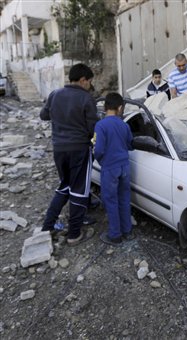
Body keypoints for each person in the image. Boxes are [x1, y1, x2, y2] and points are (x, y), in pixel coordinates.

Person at [40, 63, 98, 245]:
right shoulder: (86, 98)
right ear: (83, 80)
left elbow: (44, 115)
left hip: (59, 149)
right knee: (80, 190)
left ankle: (48, 225)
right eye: (89, 81)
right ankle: (74, 234)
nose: (89, 85)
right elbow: (92, 129)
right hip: (79, 148)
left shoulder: (55, 94)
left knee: (65, 185)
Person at [93, 92, 134, 245]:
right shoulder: (124, 125)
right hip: (125, 166)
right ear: (120, 108)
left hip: (110, 168)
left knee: (111, 200)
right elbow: (131, 144)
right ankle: (127, 231)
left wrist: (101, 161)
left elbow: (98, 149)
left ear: (105, 107)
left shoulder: (101, 125)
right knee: (124, 199)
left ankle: (115, 235)